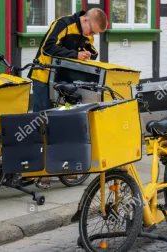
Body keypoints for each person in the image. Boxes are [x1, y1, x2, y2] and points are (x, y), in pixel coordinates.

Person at [28, 8, 108, 188]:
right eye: (93, 31)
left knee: (64, 122)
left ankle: (63, 166)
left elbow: (92, 50)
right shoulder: (63, 24)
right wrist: (75, 54)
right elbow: (47, 48)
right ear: (86, 20)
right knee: (43, 123)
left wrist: (88, 53)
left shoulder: (87, 33)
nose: (93, 34)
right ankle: (41, 172)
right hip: (43, 77)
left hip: (63, 80)